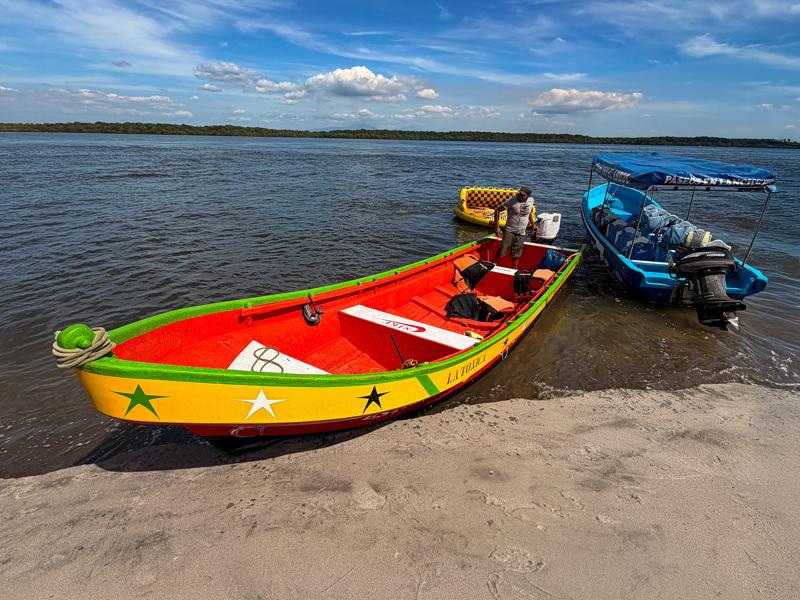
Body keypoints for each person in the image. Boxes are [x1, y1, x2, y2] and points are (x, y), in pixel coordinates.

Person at [494, 186, 536, 269]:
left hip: (521, 233)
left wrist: (533, 224)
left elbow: (529, 213)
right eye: (519, 193)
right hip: (509, 231)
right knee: (502, 252)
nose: (519, 195)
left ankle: (513, 272)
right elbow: (497, 211)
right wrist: (497, 227)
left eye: (522, 195)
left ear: (528, 196)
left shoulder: (531, 201)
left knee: (516, 255)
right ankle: (494, 268)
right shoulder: (511, 201)